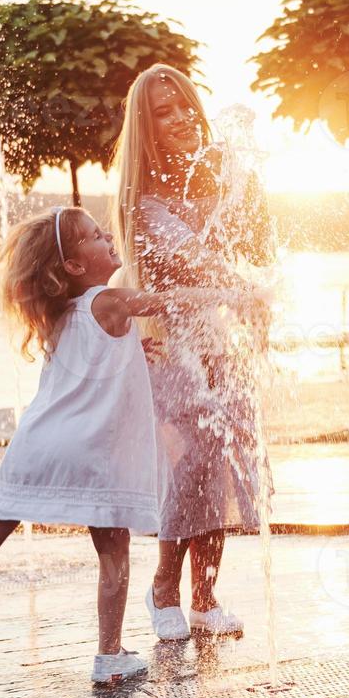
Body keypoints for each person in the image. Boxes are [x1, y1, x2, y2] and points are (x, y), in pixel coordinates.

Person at [0, 207, 244, 683]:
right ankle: (109, 655)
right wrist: (239, 294)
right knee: (113, 554)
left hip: (38, 444)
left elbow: (92, 365)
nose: (107, 237)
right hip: (93, 454)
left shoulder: (61, 315)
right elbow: (174, 300)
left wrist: (133, 350)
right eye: (95, 237)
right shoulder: (110, 301)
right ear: (74, 267)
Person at [108, 63, 274, 641]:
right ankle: (163, 589)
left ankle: (205, 597)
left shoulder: (215, 183)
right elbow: (194, 264)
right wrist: (244, 288)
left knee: (225, 466)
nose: (178, 119)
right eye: (162, 112)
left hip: (219, 350)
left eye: (183, 106)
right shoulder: (144, 202)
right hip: (169, 353)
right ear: (145, 126)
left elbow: (253, 244)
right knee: (189, 469)